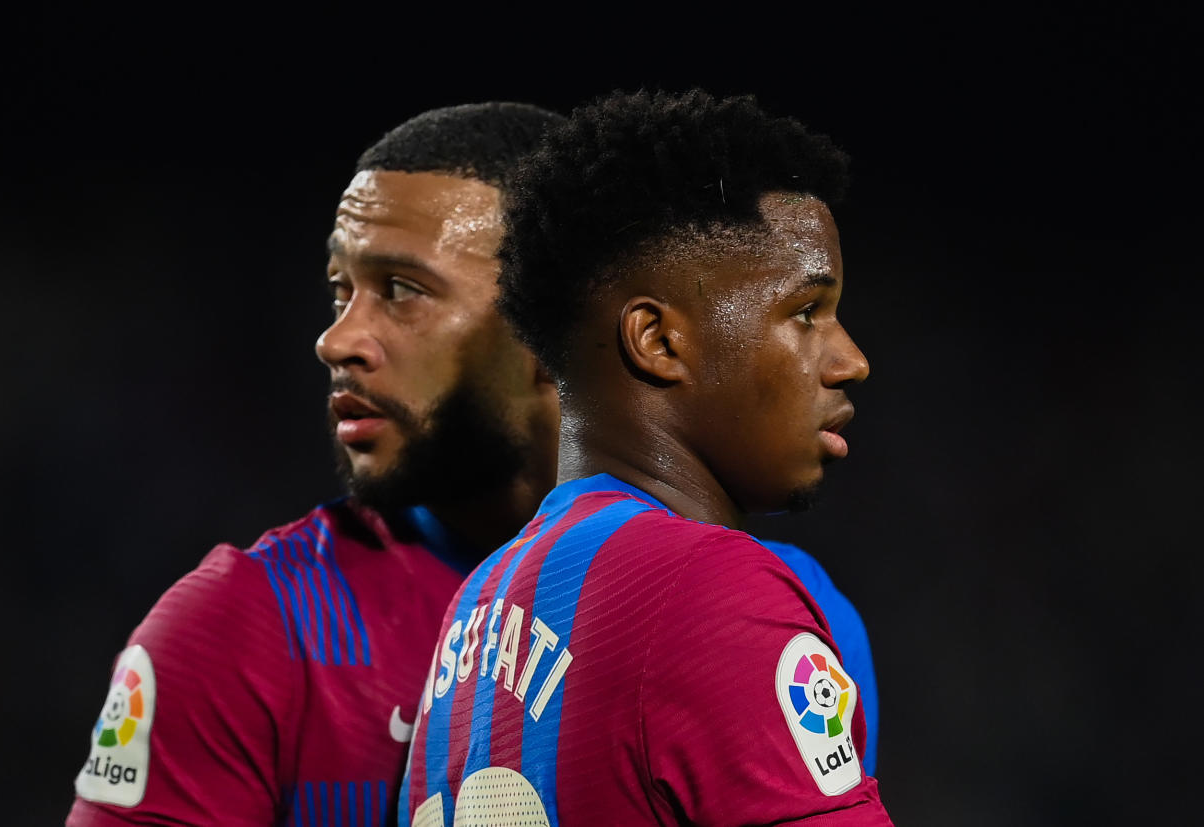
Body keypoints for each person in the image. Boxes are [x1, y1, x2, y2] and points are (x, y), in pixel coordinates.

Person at [401, 90, 893, 825]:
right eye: (804, 312)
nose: (850, 359)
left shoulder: (474, 608)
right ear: (659, 341)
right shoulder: (712, 591)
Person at [67, 102, 562, 826]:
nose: (337, 339)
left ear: (553, 324)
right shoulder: (240, 630)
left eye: (400, 289)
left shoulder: (731, 606)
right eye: (341, 288)